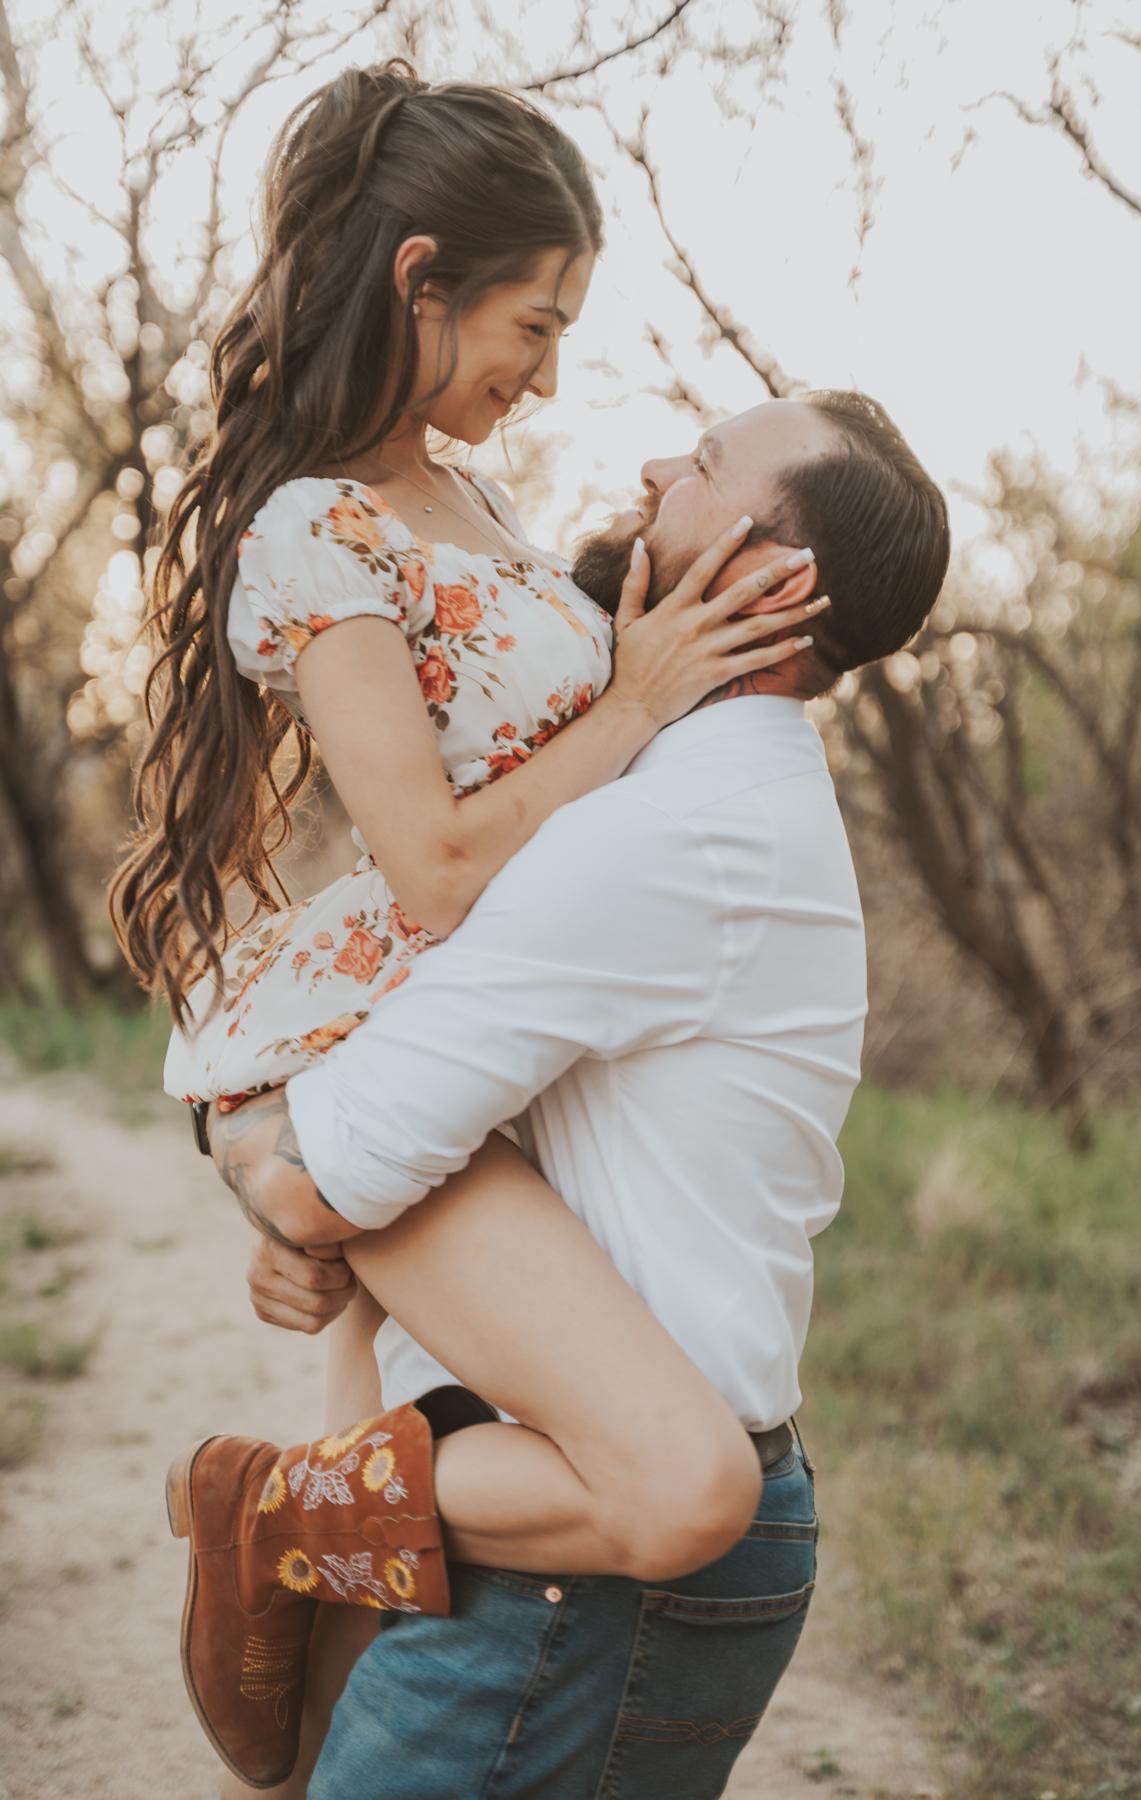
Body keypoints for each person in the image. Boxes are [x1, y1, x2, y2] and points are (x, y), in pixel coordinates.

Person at [107, 58, 839, 1795]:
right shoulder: (314, 530)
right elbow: (432, 862)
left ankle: (303, 1549)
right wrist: (637, 700)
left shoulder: (471, 496)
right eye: (534, 322)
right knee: (649, 1480)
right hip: (367, 1032)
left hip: (476, 1029)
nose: (549, 371)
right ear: (417, 279)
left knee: (426, 1495)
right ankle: (270, 1515)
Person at [184, 390, 951, 1800]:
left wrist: (252, 1146)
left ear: (769, 583)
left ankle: (279, 1509)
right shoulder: (672, 790)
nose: (656, 466)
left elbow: (327, 1167)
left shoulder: (668, 833)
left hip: (582, 1585)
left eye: (703, 464)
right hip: (574, 1521)